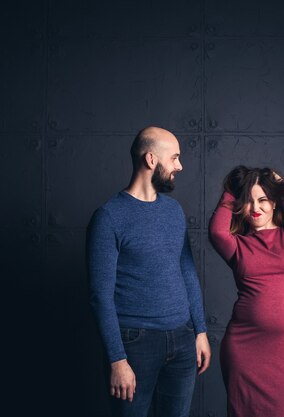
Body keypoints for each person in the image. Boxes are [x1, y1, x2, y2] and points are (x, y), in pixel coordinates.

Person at [87, 126, 211, 417]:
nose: (180, 166)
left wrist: (200, 330)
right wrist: (117, 359)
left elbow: (187, 272)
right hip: (135, 345)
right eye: (175, 158)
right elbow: (99, 296)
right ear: (151, 159)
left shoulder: (174, 211)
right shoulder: (108, 217)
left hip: (182, 339)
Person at [208, 166, 284, 417]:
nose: (255, 207)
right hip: (245, 350)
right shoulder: (237, 246)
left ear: (275, 202)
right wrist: (232, 189)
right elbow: (217, 231)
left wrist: (282, 183)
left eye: (263, 199)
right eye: (248, 201)